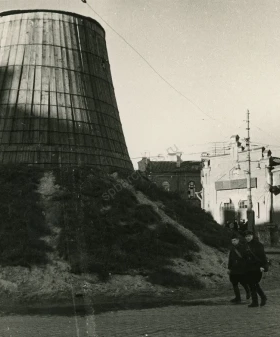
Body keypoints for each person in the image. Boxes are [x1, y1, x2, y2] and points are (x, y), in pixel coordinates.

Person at [244, 230, 268, 308]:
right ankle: (262, 297)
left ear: (252, 236)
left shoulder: (258, 245)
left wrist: (264, 267)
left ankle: (256, 301)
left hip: (257, 267)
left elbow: (263, 257)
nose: (248, 238)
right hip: (249, 268)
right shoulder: (245, 245)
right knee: (253, 284)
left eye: (249, 236)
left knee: (253, 284)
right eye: (246, 236)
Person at [228, 233, 251, 303]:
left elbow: (247, 258)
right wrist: (229, 268)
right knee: (234, 283)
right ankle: (238, 298)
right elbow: (230, 259)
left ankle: (248, 291)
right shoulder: (232, 249)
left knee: (243, 282)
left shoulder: (243, 247)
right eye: (232, 241)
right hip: (234, 269)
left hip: (241, 269)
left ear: (238, 240)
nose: (233, 242)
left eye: (234, 240)